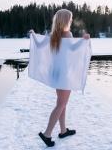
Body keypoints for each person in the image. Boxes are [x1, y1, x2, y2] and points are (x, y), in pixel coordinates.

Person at [38, 9, 90, 147]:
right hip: (64, 74)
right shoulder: (67, 34)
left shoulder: (53, 35)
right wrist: (83, 40)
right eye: (70, 19)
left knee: (62, 103)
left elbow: (39, 45)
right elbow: (73, 49)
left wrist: (33, 35)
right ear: (66, 20)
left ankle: (63, 130)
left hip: (55, 73)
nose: (72, 21)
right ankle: (47, 134)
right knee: (61, 104)